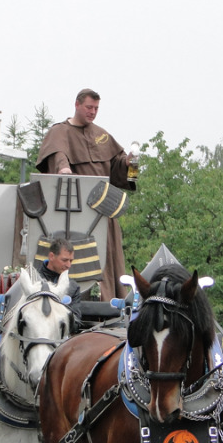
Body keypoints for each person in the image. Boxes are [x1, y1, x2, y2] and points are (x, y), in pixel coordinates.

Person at [35, 88, 137, 301]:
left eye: (96, 108)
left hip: (101, 211)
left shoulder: (101, 135)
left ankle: (110, 301)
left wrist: (126, 163)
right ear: (77, 105)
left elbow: (115, 168)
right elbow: (58, 155)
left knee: (107, 259)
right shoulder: (60, 132)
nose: (93, 112)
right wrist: (63, 168)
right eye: (89, 107)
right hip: (73, 212)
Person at [37, 236, 82, 329]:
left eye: (71, 261)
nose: (69, 265)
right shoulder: (33, 281)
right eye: (65, 260)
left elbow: (76, 323)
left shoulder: (73, 287)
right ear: (51, 256)